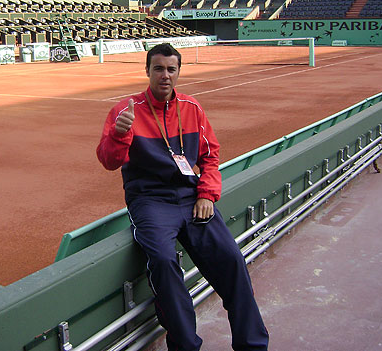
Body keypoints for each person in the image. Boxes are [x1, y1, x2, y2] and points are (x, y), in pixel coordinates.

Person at [97, 43, 269, 351]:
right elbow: (109, 161)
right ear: (147, 71)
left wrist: (207, 194)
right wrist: (119, 134)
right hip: (150, 201)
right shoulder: (126, 111)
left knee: (232, 261)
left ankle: (253, 345)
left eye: (171, 69)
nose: (165, 75)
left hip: (192, 197)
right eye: (158, 69)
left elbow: (210, 157)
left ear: (179, 72)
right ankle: (185, 345)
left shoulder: (192, 109)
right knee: (163, 262)